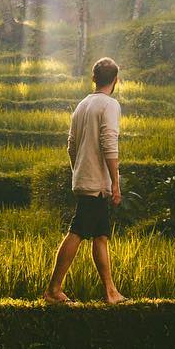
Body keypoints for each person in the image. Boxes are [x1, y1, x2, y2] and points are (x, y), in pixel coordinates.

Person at [43, 56, 125, 304]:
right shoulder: (109, 105)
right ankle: (53, 289)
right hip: (97, 182)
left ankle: (110, 291)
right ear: (116, 81)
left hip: (85, 179)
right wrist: (116, 183)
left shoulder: (81, 106)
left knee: (101, 235)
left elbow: (71, 145)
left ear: (93, 79)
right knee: (77, 231)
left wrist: (77, 170)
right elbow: (109, 143)